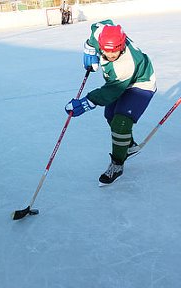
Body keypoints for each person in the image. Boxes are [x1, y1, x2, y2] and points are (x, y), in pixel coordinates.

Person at [65, 19, 157, 186]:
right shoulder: (103, 34)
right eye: (107, 52)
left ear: (121, 45)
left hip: (140, 83)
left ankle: (117, 164)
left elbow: (110, 92)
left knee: (121, 123)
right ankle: (128, 146)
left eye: (115, 51)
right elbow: (98, 27)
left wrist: (86, 102)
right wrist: (90, 49)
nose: (111, 55)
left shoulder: (125, 64)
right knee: (109, 115)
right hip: (118, 83)